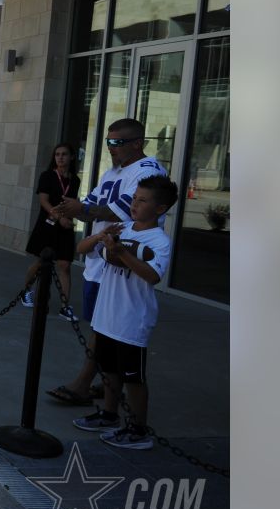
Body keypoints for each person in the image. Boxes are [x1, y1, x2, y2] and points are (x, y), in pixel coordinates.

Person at [45, 118, 167, 406]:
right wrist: (72, 210)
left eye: (117, 142)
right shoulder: (112, 172)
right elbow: (90, 209)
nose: (111, 148)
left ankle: (85, 383)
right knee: (101, 328)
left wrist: (82, 209)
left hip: (121, 263)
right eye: (108, 142)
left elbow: (119, 212)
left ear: (138, 143)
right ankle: (105, 389)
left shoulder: (147, 171)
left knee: (107, 332)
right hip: (99, 262)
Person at [71, 175, 178, 450]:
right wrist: (99, 236)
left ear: (160, 208)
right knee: (109, 370)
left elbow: (152, 276)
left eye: (142, 200)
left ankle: (138, 429)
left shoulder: (159, 241)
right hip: (107, 315)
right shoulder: (123, 228)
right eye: (134, 198)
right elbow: (82, 249)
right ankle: (109, 414)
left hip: (132, 320)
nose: (134, 204)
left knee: (133, 378)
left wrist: (121, 252)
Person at [19, 143, 80, 319]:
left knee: (65, 265)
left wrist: (69, 218)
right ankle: (26, 291)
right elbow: (44, 201)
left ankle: (64, 306)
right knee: (41, 262)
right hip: (48, 225)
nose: (60, 158)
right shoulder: (47, 176)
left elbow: (72, 202)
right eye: (57, 155)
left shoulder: (75, 180)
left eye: (64, 154)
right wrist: (59, 217)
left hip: (65, 226)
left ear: (72, 157)